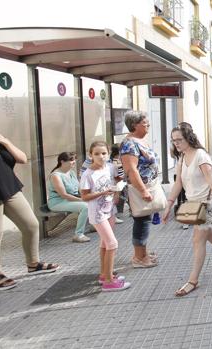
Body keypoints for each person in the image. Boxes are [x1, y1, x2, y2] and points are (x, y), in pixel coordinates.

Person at [0, 107, 59, 291]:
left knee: (31, 225)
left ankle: (33, 264)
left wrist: (6, 142)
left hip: (10, 188)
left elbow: (22, 158)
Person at [162, 122, 212, 297]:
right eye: (173, 141)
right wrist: (168, 205)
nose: (176, 143)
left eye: (179, 139)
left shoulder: (200, 155)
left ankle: (193, 281)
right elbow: (178, 183)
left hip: (206, 203)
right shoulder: (181, 158)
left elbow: (211, 180)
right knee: (209, 235)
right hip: (192, 203)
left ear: (189, 137)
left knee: (197, 240)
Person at [80, 141, 130, 291]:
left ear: (108, 154)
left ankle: (104, 274)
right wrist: (103, 192)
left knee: (104, 243)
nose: (101, 156)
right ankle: (109, 281)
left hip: (110, 209)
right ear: (90, 155)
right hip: (97, 213)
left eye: (103, 153)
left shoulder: (110, 167)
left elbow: (118, 179)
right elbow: (84, 196)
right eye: (96, 154)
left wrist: (116, 191)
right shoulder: (88, 174)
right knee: (112, 244)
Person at [120, 110, 159, 268]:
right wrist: (143, 190)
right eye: (144, 123)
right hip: (138, 189)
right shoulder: (129, 143)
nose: (148, 125)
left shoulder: (140, 140)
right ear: (134, 125)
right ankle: (139, 257)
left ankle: (143, 252)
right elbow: (131, 169)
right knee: (141, 221)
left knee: (145, 220)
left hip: (148, 186)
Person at [47, 152, 91, 243]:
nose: (74, 162)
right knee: (85, 207)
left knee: (93, 200)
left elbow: (79, 188)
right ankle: (78, 235)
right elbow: (64, 195)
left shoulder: (71, 172)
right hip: (58, 202)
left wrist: (86, 196)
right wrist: (82, 199)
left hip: (71, 200)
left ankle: (94, 225)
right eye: (71, 160)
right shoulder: (56, 175)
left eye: (74, 159)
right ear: (62, 161)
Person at [110, 144, 125, 224]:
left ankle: (117, 213)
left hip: (121, 180)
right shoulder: (114, 160)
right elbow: (116, 172)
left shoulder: (118, 159)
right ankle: (115, 215)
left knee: (124, 196)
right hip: (118, 181)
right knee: (119, 197)